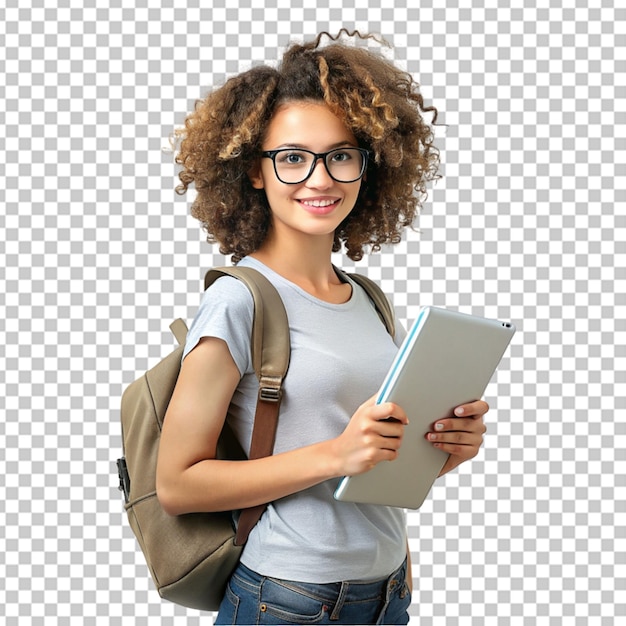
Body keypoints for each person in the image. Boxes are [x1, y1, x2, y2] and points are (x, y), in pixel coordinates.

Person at [156, 30, 488, 625]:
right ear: (253, 172)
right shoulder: (238, 302)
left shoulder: (369, 300)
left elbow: (368, 458)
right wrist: (336, 454)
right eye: (292, 157)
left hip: (387, 591)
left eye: (340, 154)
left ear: (368, 164)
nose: (320, 177)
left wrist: (440, 450)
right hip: (288, 598)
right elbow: (179, 484)